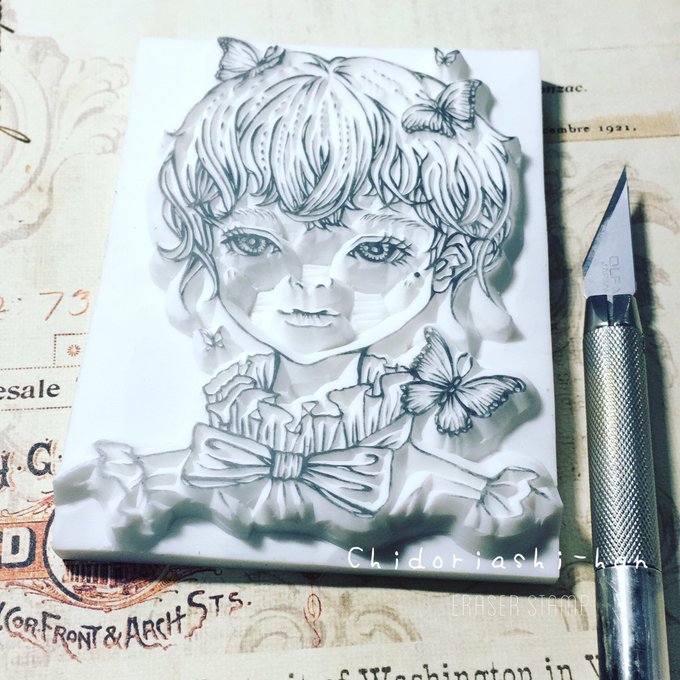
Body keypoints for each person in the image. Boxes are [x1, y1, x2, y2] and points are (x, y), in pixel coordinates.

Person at [57, 40, 560, 559]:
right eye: (254, 243)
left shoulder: (448, 462)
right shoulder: (205, 419)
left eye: (378, 249)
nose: (311, 286)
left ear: (449, 260)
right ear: (201, 244)